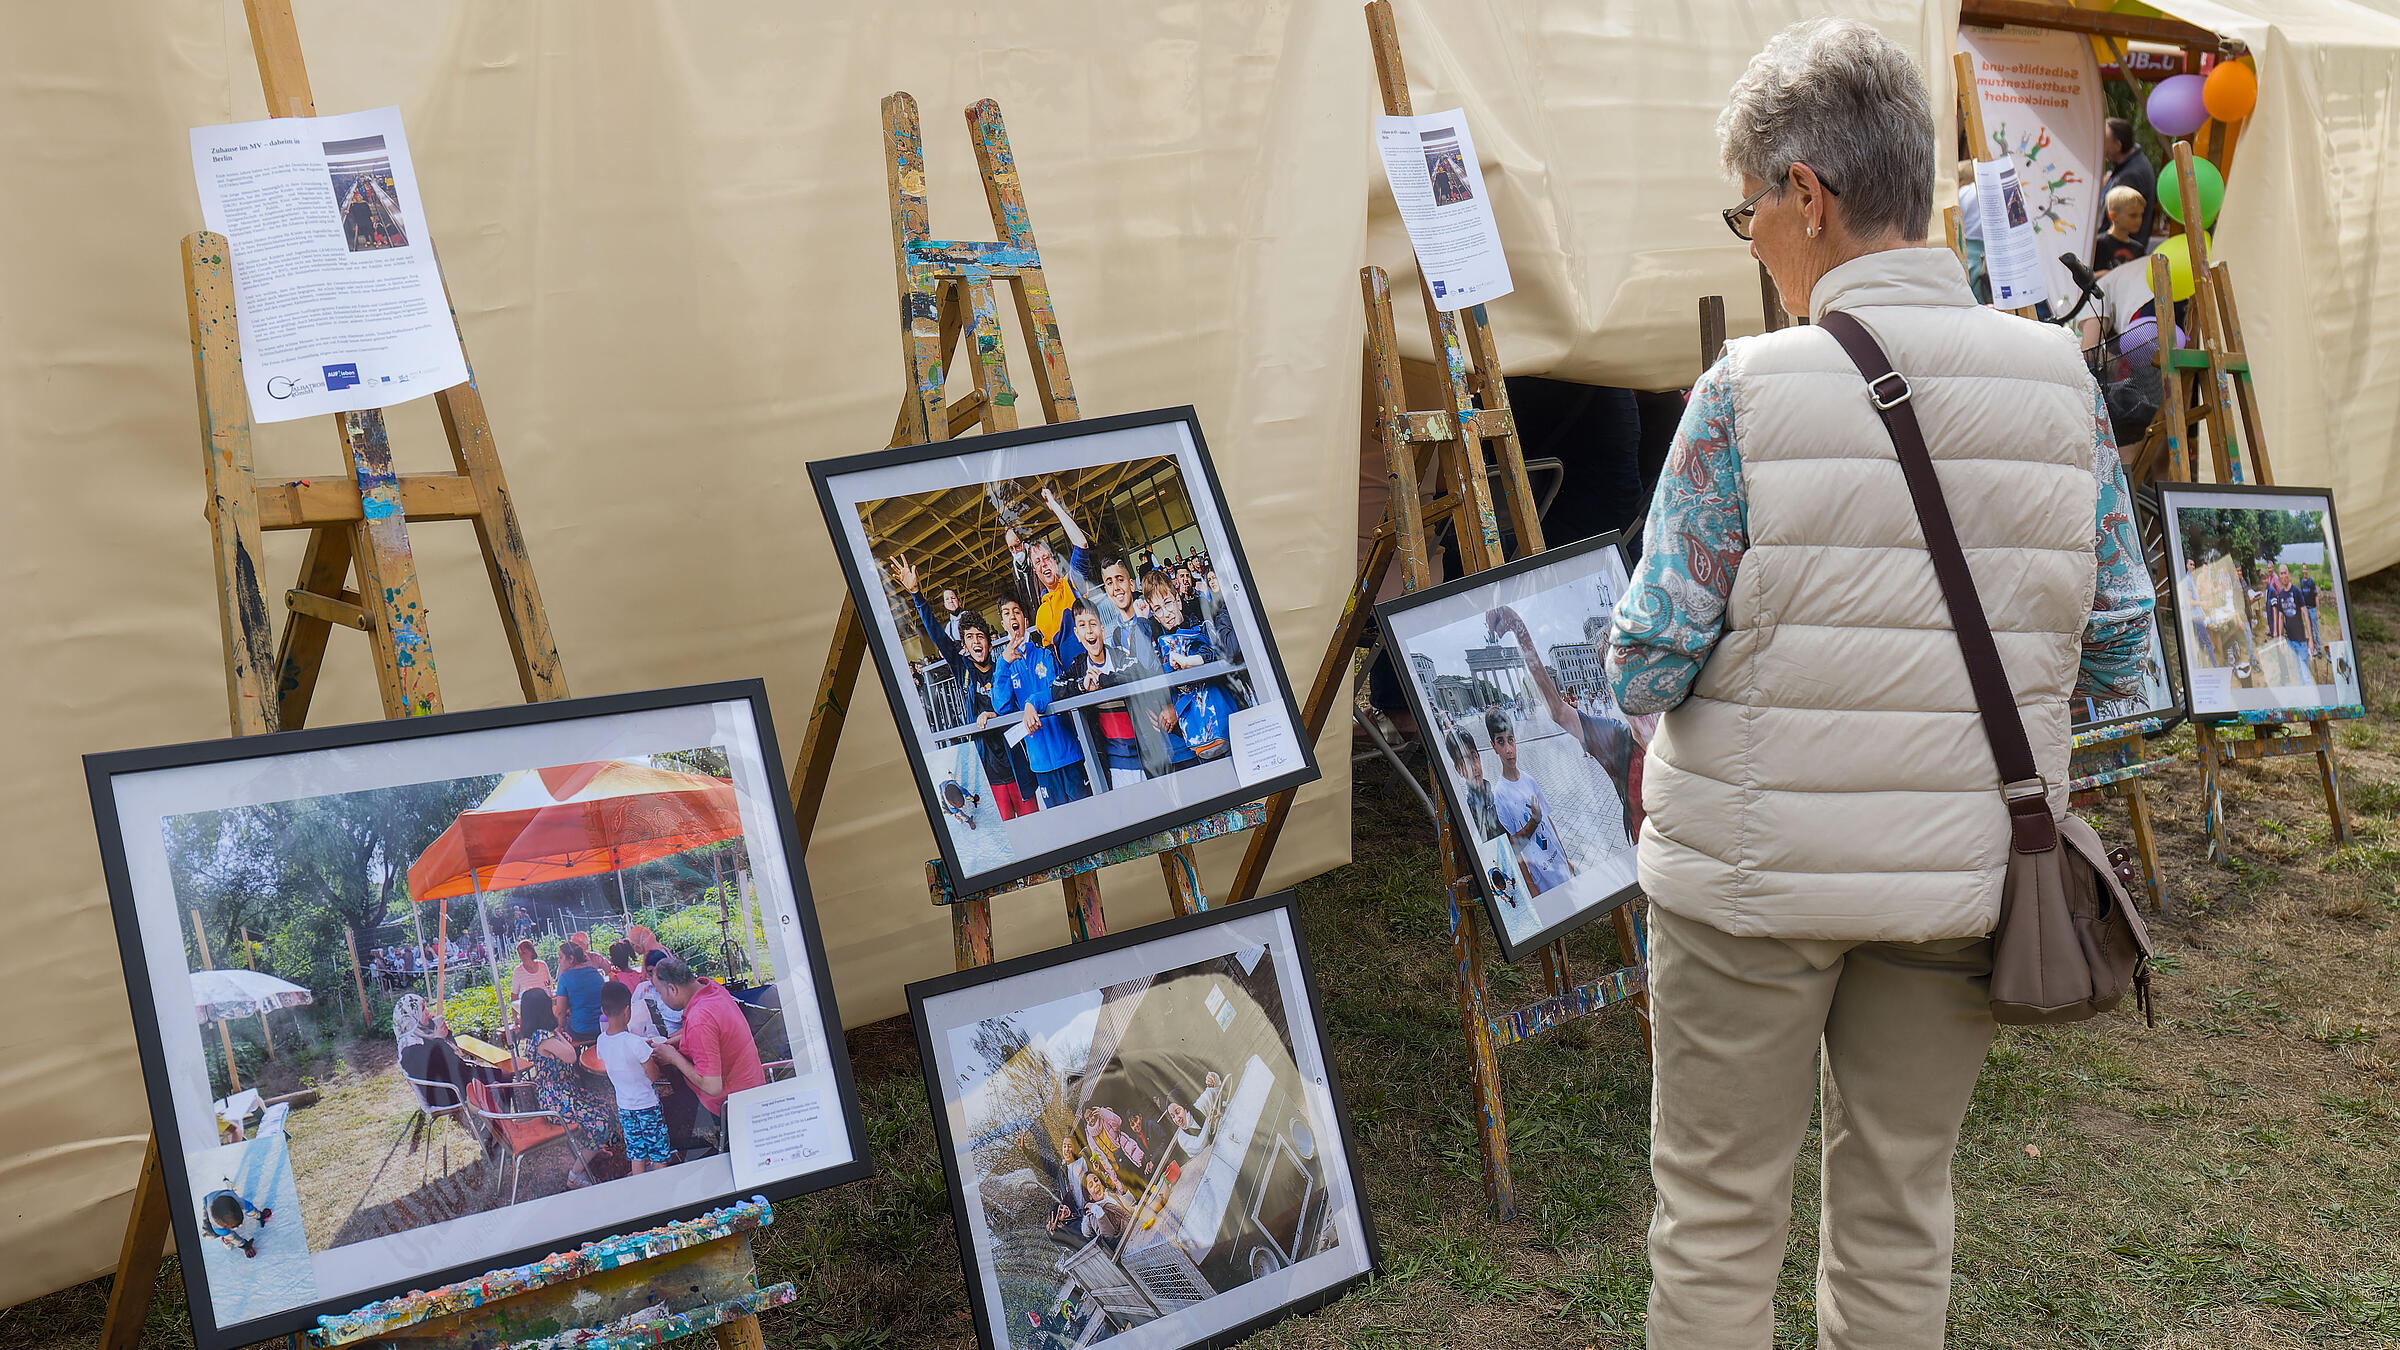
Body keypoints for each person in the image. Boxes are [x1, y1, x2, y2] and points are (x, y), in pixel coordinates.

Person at [1614, 21, 2153, 1345]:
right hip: (1968, 869)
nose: (1754, 241)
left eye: (1749, 212)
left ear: (1807, 191)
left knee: (1719, 1212)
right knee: (1903, 1205)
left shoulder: (1744, 397)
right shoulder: (2063, 390)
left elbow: (1648, 655)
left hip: (1748, 874)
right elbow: (2130, 646)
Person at [1488, 603, 1641, 843]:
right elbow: (1558, 709)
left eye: (1641, 668)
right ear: (1611, 691)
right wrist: (1520, 630)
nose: (1636, 686)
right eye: (1621, 678)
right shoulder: (1618, 740)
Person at [898, 556, 1036, 821]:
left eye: (980, 637)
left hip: (1017, 764)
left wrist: (995, 716)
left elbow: (1014, 706)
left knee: (1036, 828)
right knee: (1007, 834)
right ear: (964, 643)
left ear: (988, 641)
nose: (976, 642)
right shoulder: (962, 668)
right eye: (970, 637)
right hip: (988, 772)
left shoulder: (1002, 667)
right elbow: (937, 634)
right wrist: (917, 594)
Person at [646, 958, 767, 1146]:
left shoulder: (699, 1018)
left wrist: (673, 1057)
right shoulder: (711, 989)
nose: (661, 999)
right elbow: (712, 1033)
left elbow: (712, 1087)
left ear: (672, 989)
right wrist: (673, 1042)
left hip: (730, 1106)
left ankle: (706, 1155)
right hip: (752, 1086)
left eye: (660, 993)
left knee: (658, 1120)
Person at [993, 597, 1092, 808]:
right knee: (1062, 828)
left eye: (1016, 611)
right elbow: (1001, 706)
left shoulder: (1045, 654)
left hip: (1068, 753)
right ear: (1003, 625)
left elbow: (1055, 689)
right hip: (1040, 764)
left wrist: (1031, 702)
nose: (1013, 616)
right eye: (1007, 613)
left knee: (1088, 815)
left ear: (1025, 620)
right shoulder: (1005, 667)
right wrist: (1003, 664)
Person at [515, 988, 617, 1185]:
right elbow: (571, 1056)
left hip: (562, 1092)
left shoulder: (541, 1035)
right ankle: (575, 1174)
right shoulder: (543, 1037)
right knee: (600, 1121)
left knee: (603, 1110)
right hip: (558, 1098)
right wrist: (562, 1038)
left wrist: (560, 1037)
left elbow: (565, 1050)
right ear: (544, 1009)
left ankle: (592, 1150)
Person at [1144, 570, 1240, 762]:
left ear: (1178, 601)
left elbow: (1214, 652)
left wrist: (1189, 661)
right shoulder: (1159, 646)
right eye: (1158, 609)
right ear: (1154, 615)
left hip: (1226, 727)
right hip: (1195, 739)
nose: (1166, 613)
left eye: (1168, 603)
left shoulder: (1200, 626)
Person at [1484, 707, 1575, 898]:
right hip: (1541, 877)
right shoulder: (1500, 794)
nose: (1508, 750)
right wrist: (1531, 886)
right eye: (1501, 742)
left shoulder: (1529, 780)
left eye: (1510, 740)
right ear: (1493, 746)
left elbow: (1549, 823)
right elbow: (1514, 847)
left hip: (1557, 863)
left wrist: (1566, 858)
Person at [1058, 602, 1147, 789]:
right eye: (1082, 625)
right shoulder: (1079, 668)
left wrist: (1105, 681)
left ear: (1102, 630)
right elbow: (1056, 688)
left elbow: (1138, 671)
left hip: (1142, 753)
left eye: (1093, 623)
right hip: (1114, 760)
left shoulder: (1119, 656)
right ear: (1076, 634)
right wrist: (1082, 686)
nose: (1089, 630)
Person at [595, 983, 671, 1174]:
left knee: (637, 1153)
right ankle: (663, 1193)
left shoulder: (601, 1041)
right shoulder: (636, 1044)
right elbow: (653, 1075)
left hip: (625, 1107)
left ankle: (640, 1191)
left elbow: (616, 1059)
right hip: (648, 1106)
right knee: (658, 1152)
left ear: (604, 1010)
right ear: (628, 1011)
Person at [392, 992, 487, 1109]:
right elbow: (445, 1063)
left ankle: (500, 1119)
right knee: (500, 1079)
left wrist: (445, 1034)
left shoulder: (424, 1033)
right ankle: (500, 1122)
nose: (427, 1012)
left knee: (502, 1076)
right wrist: (439, 1039)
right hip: (447, 1093)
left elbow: (454, 1058)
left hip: (458, 1078)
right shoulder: (409, 1048)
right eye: (422, 1010)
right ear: (411, 1016)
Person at [2100, 116, 2160, 246]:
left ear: (2118, 145)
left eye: (2104, 142)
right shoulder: (2135, 163)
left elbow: (2118, 221)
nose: (2101, 148)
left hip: (2120, 252)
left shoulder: (2129, 176)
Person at [1444, 728, 1505, 841]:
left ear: (1479, 757)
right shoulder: (1469, 814)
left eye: (1473, 757)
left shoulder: (1497, 796)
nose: (1473, 767)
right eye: (1464, 762)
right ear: (1458, 770)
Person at [553, 940, 607, 1044]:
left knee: (565, 1029)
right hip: (601, 1026)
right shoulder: (595, 972)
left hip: (581, 1030)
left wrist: (558, 1030)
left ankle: (575, 1059)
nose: (559, 961)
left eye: (560, 957)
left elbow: (560, 1012)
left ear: (571, 959)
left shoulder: (565, 978)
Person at [2091, 184, 2147, 274]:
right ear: (2113, 216)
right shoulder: (2098, 245)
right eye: (2133, 215)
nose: (2139, 220)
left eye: (2141, 215)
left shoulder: (2138, 249)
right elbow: (2087, 278)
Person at [202, 1189, 272, 1258]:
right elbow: (232, 1237)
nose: (241, 1225)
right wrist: (244, 1245)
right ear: (225, 1226)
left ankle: (226, 1234)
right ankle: (225, 1238)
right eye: (236, 1226)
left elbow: (250, 1209)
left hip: (224, 1194)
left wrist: (260, 1216)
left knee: (245, 1208)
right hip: (208, 1202)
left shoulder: (240, 1203)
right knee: (209, 1234)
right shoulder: (217, 1226)